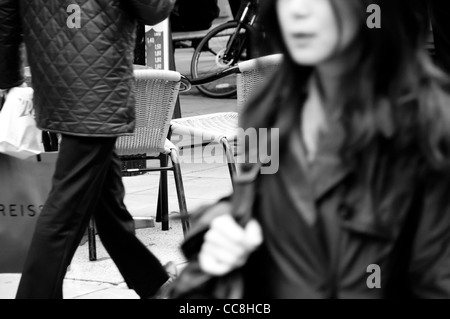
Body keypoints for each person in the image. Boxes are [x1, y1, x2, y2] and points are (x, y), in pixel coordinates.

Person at [194, 0, 450, 298]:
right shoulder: (267, 108)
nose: (298, 10)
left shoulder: (424, 123)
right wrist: (219, 230)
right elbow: (254, 201)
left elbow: (436, 278)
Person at [0, 0, 178, 299]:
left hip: (53, 79)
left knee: (106, 199)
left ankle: (153, 283)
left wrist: (7, 79)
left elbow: (5, 14)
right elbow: (154, 8)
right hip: (99, 85)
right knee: (65, 207)